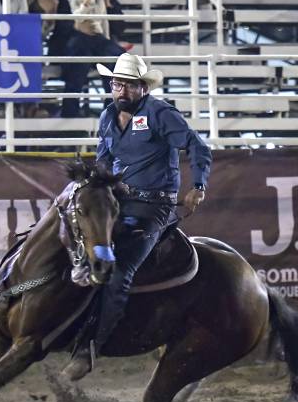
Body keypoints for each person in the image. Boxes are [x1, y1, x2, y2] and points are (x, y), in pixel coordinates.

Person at [60, 53, 212, 381]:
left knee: (119, 271)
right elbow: (103, 162)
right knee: (72, 240)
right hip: (118, 203)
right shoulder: (107, 117)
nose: (122, 91)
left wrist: (198, 186)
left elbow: (197, 146)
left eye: (129, 85)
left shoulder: (160, 114)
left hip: (152, 207)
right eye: (117, 84)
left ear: (143, 88)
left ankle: (91, 347)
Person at [60, 0, 125, 118]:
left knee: (117, 59)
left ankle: (112, 110)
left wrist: (107, 42)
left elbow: (104, 23)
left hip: (98, 38)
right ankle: (70, 113)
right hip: (79, 40)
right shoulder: (72, 1)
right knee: (77, 67)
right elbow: (77, 18)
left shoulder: (100, 2)